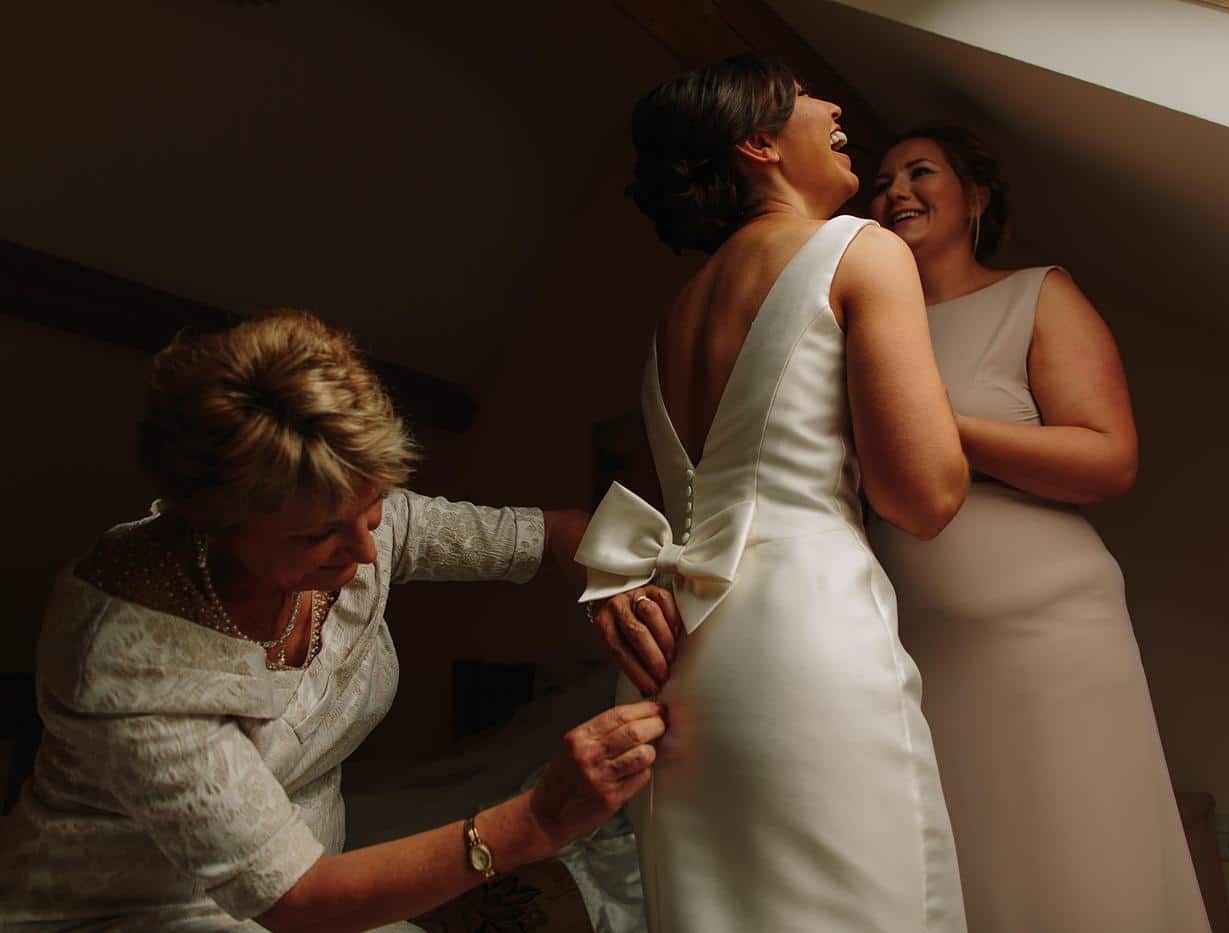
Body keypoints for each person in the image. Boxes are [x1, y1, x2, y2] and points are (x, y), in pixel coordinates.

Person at [0, 310, 671, 931]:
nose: (366, 550)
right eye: (320, 535)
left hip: (310, 889)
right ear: (214, 522)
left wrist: (617, 583)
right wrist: (537, 817)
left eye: (374, 505)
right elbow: (296, 898)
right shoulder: (125, 658)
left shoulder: (344, 509)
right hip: (134, 914)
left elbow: (554, 536)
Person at [572, 55, 970, 932]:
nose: (833, 107)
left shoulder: (675, 315)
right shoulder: (862, 250)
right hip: (805, 632)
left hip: (685, 660)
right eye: (802, 101)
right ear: (758, 143)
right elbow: (926, 494)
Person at [866, 125, 1211, 932]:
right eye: (881, 182)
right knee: (975, 879)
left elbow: (1108, 458)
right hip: (915, 648)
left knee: (1083, 860)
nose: (896, 193)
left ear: (977, 197)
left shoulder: (1036, 293)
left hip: (1049, 634)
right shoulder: (863, 332)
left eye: (921, 172)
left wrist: (939, 427)